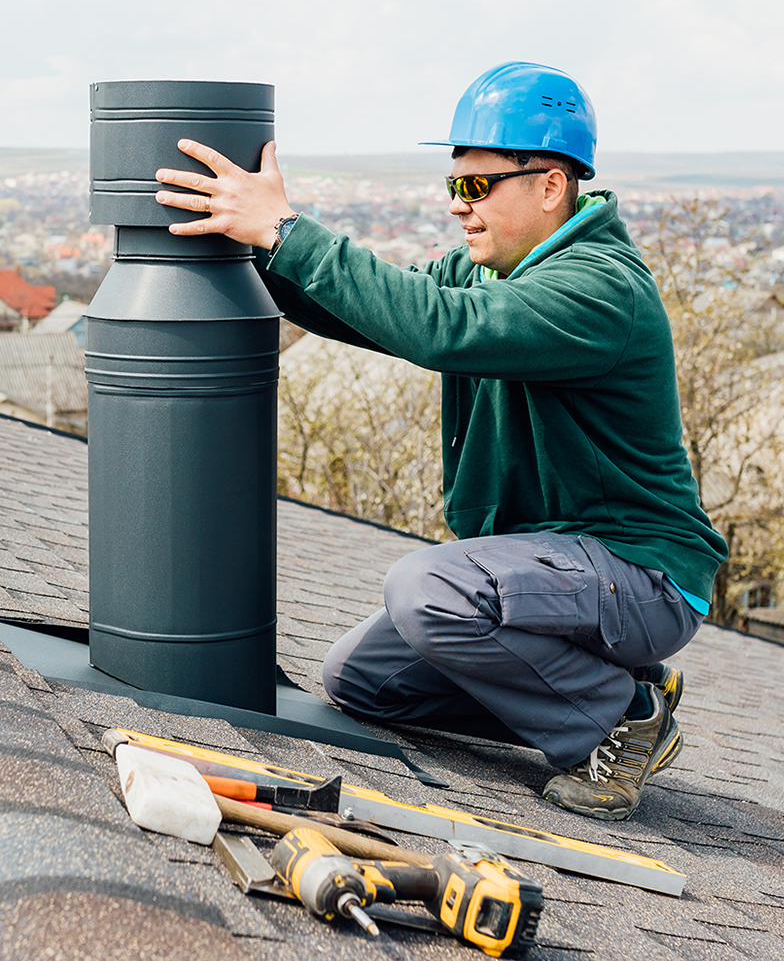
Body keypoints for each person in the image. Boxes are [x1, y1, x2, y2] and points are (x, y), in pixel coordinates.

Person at [155, 61, 727, 821]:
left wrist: (290, 232)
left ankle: (621, 721)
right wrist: (261, 250)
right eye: (452, 187)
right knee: (364, 681)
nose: (459, 207)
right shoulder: (495, 270)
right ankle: (616, 687)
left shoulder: (598, 289)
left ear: (550, 185)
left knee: (430, 590)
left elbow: (440, 328)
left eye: (474, 186)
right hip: (558, 569)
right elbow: (384, 307)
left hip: (639, 572)